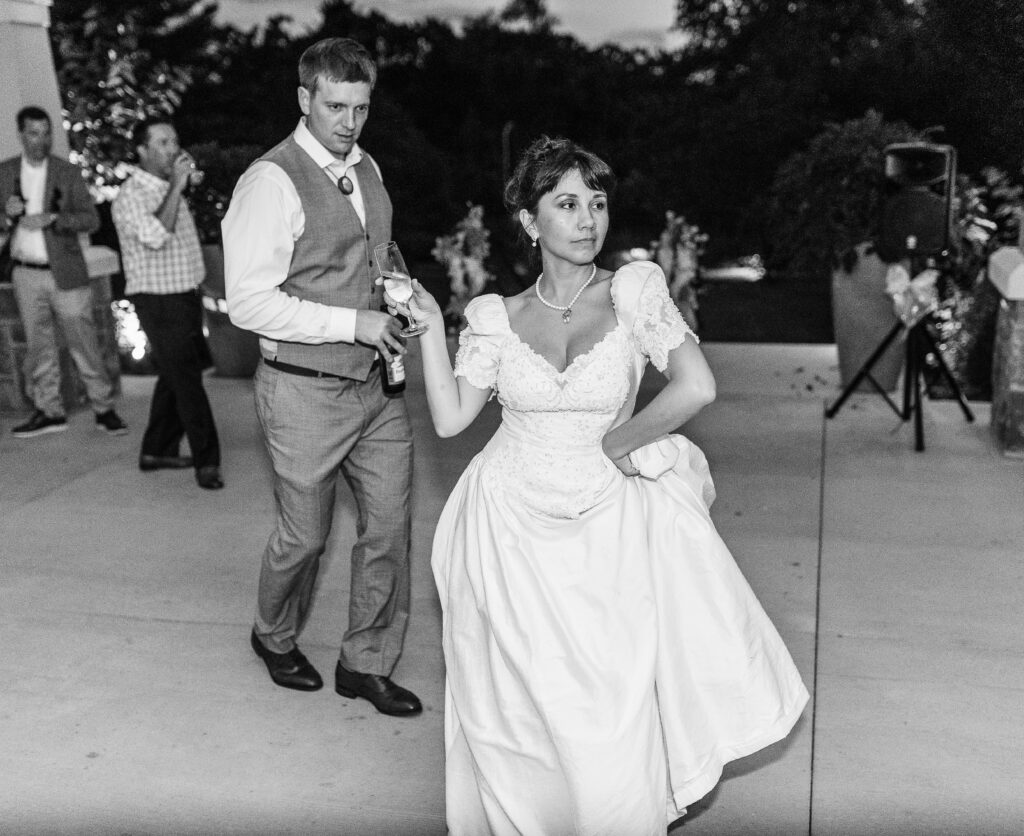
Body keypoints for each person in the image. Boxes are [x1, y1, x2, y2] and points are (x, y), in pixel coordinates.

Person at [399, 137, 809, 834]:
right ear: (529, 222)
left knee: (607, 720)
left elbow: (696, 386)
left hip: (605, 532)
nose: (588, 219)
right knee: (517, 721)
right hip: (507, 534)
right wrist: (434, 326)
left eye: (597, 202)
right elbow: (449, 420)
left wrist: (620, 441)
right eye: (566, 204)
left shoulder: (632, 293)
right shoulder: (496, 317)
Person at [222, 37, 420, 716]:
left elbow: (375, 250)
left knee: (389, 532)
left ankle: (364, 663)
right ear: (304, 99)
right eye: (336, 106)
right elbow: (247, 301)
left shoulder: (368, 167)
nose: (349, 122)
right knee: (305, 537)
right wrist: (350, 323)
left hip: (377, 389)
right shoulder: (270, 181)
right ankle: (272, 634)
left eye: (361, 108)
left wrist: (395, 291)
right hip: (303, 389)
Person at [0, 106, 127, 439]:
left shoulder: (66, 172)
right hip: (25, 273)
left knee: (83, 343)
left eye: (46, 133)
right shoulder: (5, 172)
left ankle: (104, 409)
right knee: (38, 346)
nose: (41, 140)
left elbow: (91, 219)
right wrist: (6, 215)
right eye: (34, 133)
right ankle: (49, 411)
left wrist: (55, 220)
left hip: (66, 272)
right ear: (21, 134)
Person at [111, 117, 223, 490]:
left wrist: (199, 284)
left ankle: (156, 449)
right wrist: (177, 186)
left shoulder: (166, 187)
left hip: (183, 292)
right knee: (188, 380)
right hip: (157, 300)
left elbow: (180, 245)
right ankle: (207, 461)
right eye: (162, 142)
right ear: (141, 151)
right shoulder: (132, 195)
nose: (173, 148)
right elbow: (158, 236)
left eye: (174, 140)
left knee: (175, 375)